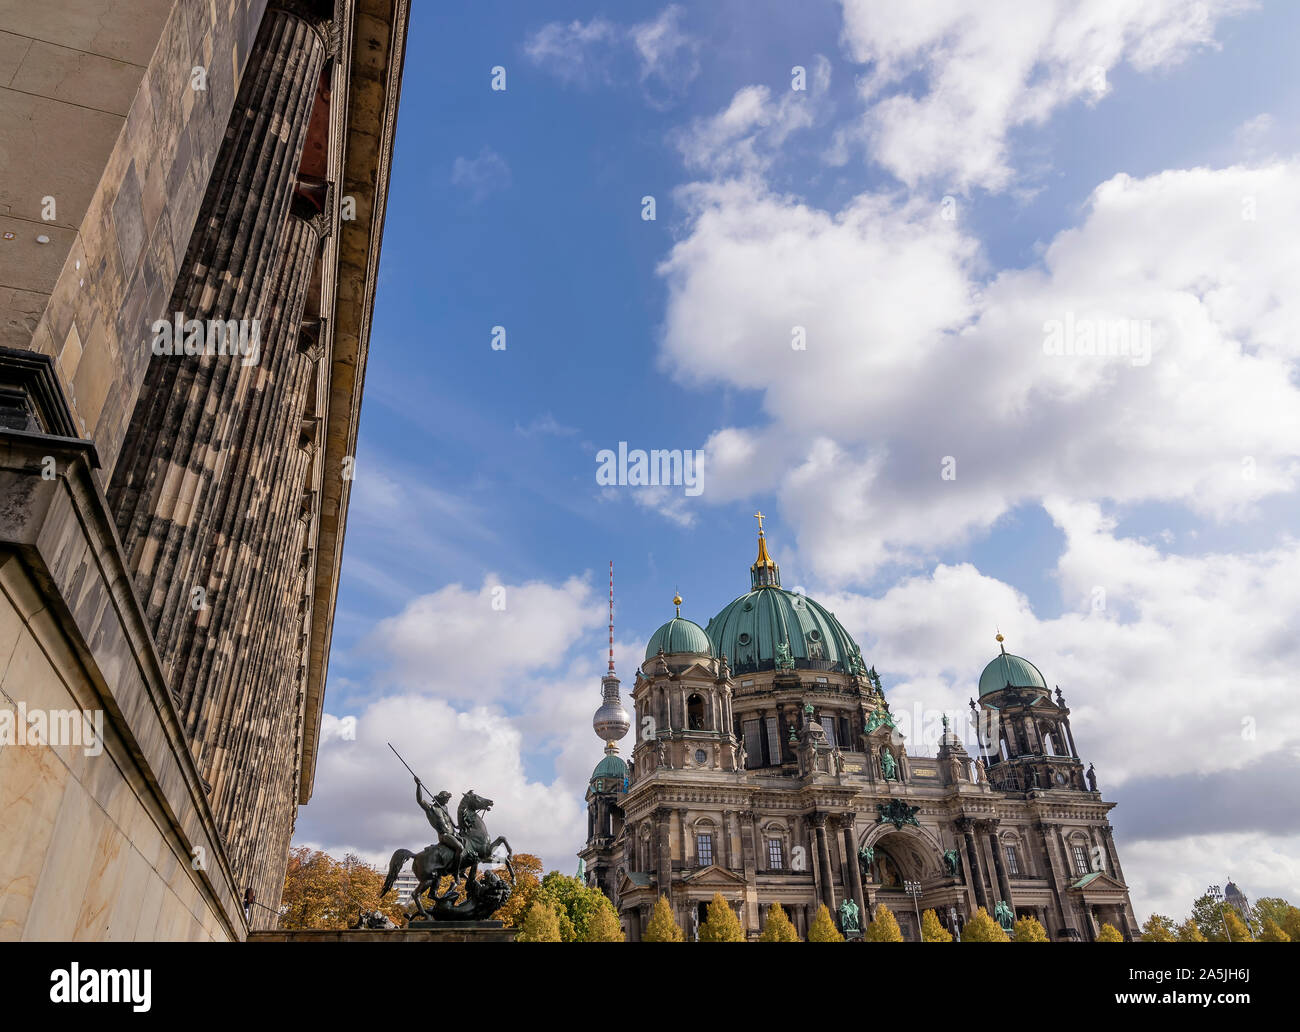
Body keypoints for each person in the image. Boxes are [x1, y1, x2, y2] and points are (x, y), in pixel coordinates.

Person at [415, 778, 465, 880]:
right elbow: (420, 800)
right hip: (444, 835)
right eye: (446, 799)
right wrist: (418, 786)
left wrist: (455, 825)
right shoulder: (431, 808)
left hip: (453, 833)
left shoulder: (444, 807)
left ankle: (462, 869)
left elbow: (448, 817)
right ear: (441, 798)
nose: (447, 801)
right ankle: (456, 872)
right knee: (460, 848)